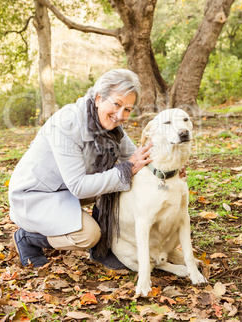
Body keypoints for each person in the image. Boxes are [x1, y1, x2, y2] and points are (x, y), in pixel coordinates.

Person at [8, 69, 152, 269]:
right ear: (99, 98)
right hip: (35, 195)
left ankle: (104, 249)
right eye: (117, 104)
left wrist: (163, 166)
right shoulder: (67, 125)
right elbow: (79, 186)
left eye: (127, 109)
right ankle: (27, 238)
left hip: (64, 188)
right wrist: (127, 168)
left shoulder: (111, 129)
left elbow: (136, 157)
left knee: (123, 181)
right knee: (88, 235)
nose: (121, 116)